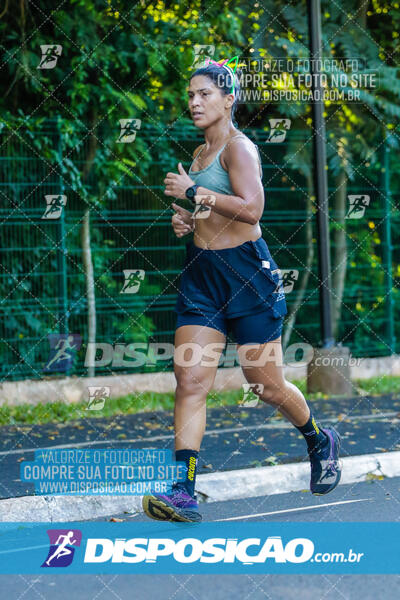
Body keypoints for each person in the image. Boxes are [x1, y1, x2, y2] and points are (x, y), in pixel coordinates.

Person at [142, 58, 342, 523]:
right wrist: (189, 222)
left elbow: (252, 210)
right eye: (190, 94)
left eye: (204, 94)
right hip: (203, 276)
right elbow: (212, 213)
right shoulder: (198, 155)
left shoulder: (240, 149)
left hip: (248, 276)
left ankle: (318, 438)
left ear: (228, 99)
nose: (193, 102)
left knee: (266, 385)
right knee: (190, 380)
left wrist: (194, 195)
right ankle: (183, 490)